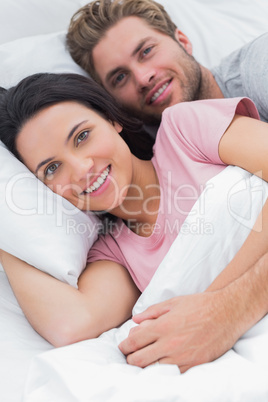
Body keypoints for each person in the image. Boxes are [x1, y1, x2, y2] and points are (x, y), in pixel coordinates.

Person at [0, 73, 268, 373]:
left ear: (111, 119)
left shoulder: (184, 132)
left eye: (82, 136)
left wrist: (224, 307)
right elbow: (71, 325)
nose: (81, 169)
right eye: (51, 168)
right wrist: (7, 233)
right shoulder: (113, 255)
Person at [65, 0, 268, 370]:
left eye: (146, 51)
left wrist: (226, 306)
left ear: (183, 40)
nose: (143, 77)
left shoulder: (260, 69)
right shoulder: (157, 154)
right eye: (119, 78)